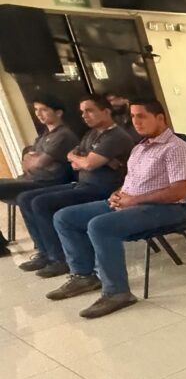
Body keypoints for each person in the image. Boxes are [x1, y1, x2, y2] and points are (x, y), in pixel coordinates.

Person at [46, 100, 186, 318]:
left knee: (100, 226)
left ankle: (117, 292)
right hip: (130, 203)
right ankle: (84, 276)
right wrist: (118, 193)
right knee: (65, 217)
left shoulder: (177, 149)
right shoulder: (140, 148)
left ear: (160, 118)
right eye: (133, 116)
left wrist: (134, 200)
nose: (136, 121)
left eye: (141, 116)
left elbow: (178, 192)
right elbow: (131, 182)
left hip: (166, 208)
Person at [16, 95, 135, 277]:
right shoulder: (91, 134)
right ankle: (45, 252)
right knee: (26, 198)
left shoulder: (115, 136)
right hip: (83, 184)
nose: (84, 116)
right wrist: (81, 159)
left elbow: (89, 164)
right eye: (82, 112)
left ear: (106, 111)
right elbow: (72, 157)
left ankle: (59, 259)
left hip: (103, 189)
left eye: (90, 111)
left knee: (42, 203)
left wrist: (84, 160)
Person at [0, 96, 78, 257]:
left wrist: (33, 160)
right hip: (32, 179)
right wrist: (32, 160)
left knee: (23, 197)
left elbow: (38, 163)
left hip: (50, 181)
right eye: (36, 110)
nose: (38, 114)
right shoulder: (44, 135)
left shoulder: (63, 135)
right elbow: (27, 162)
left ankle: (48, 252)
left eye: (44, 110)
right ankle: (42, 251)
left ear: (58, 112)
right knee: (21, 196)